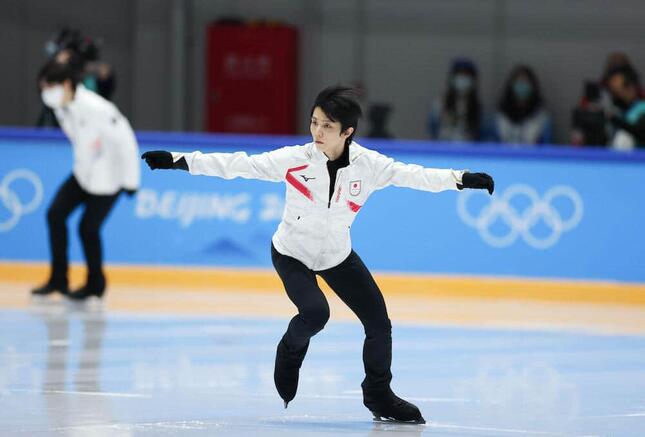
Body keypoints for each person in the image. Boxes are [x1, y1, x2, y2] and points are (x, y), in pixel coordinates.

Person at [141, 86, 494, 424]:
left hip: (337, 256)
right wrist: (178, 160)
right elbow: (238, 164)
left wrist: (461, 178)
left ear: (348, 132)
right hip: (291, 253)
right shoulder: (295, 160)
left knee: (378, 323)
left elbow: (416, 176)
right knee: (315, 313)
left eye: (327, 125)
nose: (317, 131)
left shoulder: (369, 166)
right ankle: (290, 350)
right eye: (314, 122)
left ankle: (378, 394)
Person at [31, 57, 140, 300]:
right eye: (43, 89)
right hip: (83, 174)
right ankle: (59, 280)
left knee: (87, 229)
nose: (46, 94)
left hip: (109, 179)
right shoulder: (61, 108)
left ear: (67, 84)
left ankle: (95, 285)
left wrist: (131, 181)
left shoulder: (97, 107)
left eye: (50, 87)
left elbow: (125, 141)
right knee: (55, 214)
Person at [493, 65, 552, 146]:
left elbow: (547, 147)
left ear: (533, 87)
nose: (522, 85)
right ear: (511, 85)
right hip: (504, 157)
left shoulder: (541, 118)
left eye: (525, 82)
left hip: (532, 157)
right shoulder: (501, 116)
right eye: (519, 82)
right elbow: (493, 144)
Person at [428, 58, 483, 142]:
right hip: (445, 149)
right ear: (452, 78)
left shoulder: (477, 107)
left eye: (466, 75)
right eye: (459, 74)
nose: (462, 79)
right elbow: (433, 130)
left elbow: (479, 134)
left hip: (469, 151)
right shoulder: (439, 104)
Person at [605, 65, 645, 149]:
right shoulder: (620, 109)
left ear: (631, 87)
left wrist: (616, 121)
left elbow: (641, 133)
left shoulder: (642, 109)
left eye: (619, 90)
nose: (617, 95)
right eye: (613, 92)